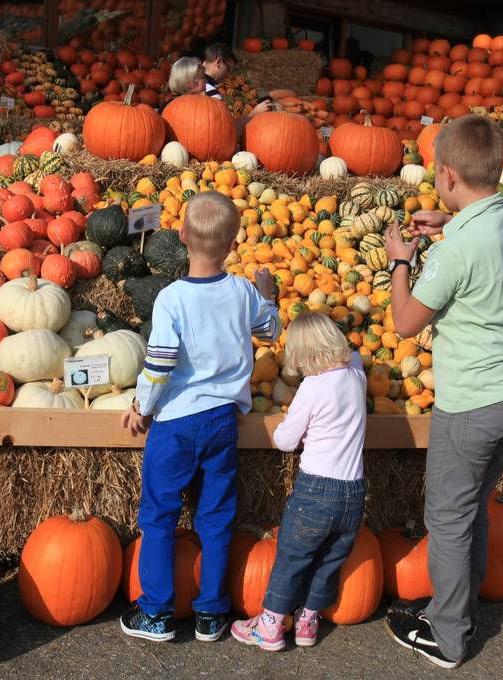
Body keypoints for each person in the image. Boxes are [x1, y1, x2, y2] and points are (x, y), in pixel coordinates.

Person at [382, 114, 503, 669]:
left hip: (473, 401)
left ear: (446, 175)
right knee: (470, 506)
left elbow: (405, 321)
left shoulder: (451, 253)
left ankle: (448, 637)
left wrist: (401, 260)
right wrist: (450, 225)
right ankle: (458, 606)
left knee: (448, 518)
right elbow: (483, 244)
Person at [119, 191, 282, 644]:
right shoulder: (244, 293)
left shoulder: (171, 299)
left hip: (174, 423)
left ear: (182, 236)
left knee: (158, 516)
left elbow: (160, 363)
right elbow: (271, 330)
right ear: (231, 243)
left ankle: (155, 613)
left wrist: (141, 407)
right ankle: (212, 613)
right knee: (215, 517)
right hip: (221, 423)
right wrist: (267, 297)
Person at [231, 312, 367, 651]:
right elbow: (354, 354)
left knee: (293, 557)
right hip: (353, 491)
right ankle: (307, 621)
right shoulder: (356, 375)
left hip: (316, 491)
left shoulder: (313, 387)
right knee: (330, 560)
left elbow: (287, 441)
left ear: (300, 356)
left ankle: (271, 626)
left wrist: (280, 429)